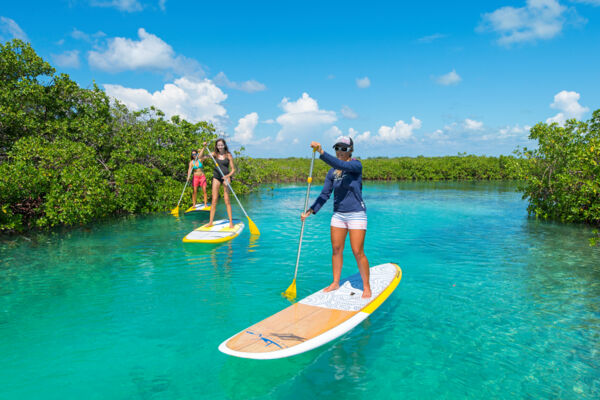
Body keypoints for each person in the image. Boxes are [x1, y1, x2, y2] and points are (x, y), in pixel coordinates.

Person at [301, 136, 371, 298]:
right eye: (337, 148)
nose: (340, 151)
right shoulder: (332, 173)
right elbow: (325, 194)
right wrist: (310, 210)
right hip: (339, 214)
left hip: (356, 214)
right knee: (336, 249)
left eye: (344, 148)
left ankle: (366, 286)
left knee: (357, 251)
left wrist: (321, 152)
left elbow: (340, 164)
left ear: (350, 150)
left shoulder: (356, 165)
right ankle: (335, 282)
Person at [207, 138, 236, 228]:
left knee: (227, 200)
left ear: (224, 145)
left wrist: (228, 176)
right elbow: (201, 157)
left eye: (221, 145)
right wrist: (204, 147)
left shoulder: (228, 155)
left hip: (226, 177)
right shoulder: (214, 154)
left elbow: (233, 169)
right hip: (216, 177)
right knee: (214, 200)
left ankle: (231, 222)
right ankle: (210, 222)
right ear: (216, 146)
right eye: (218, 145)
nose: (220, 146)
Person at [186, 143, 209, 207]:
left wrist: (204, 147)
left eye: (195, 154)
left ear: (197, 154)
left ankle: (205, 204)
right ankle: (194, 205)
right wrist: (188, 177)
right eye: (193, 154)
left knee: (204, 190)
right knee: (195, 191)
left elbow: (201, 154)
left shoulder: (200, 160)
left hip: (202, 176)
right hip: (195, 177)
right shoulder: (191, 162)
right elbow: (189, 170)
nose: (194, 155)